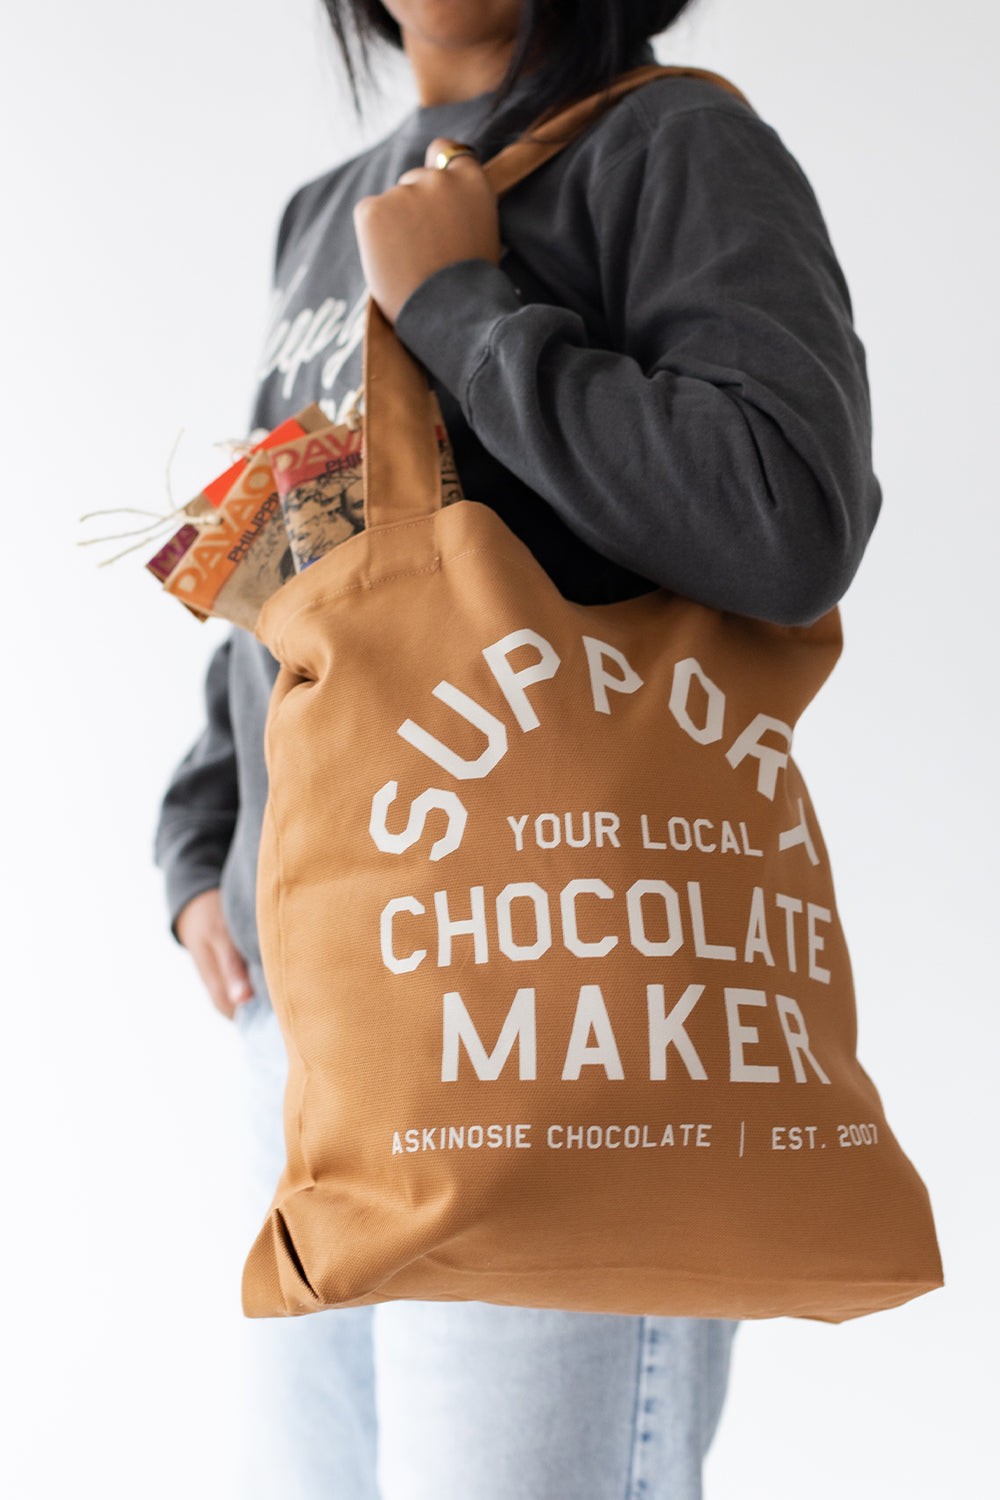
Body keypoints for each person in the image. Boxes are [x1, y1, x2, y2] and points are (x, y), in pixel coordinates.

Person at [155, 1, 882, 1495]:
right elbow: (294, 567)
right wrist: (206, 829)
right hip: (315, 1010)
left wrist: (461, 308)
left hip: (544, 1002)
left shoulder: (674, 146)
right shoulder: (323, 212)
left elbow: (784, 513)